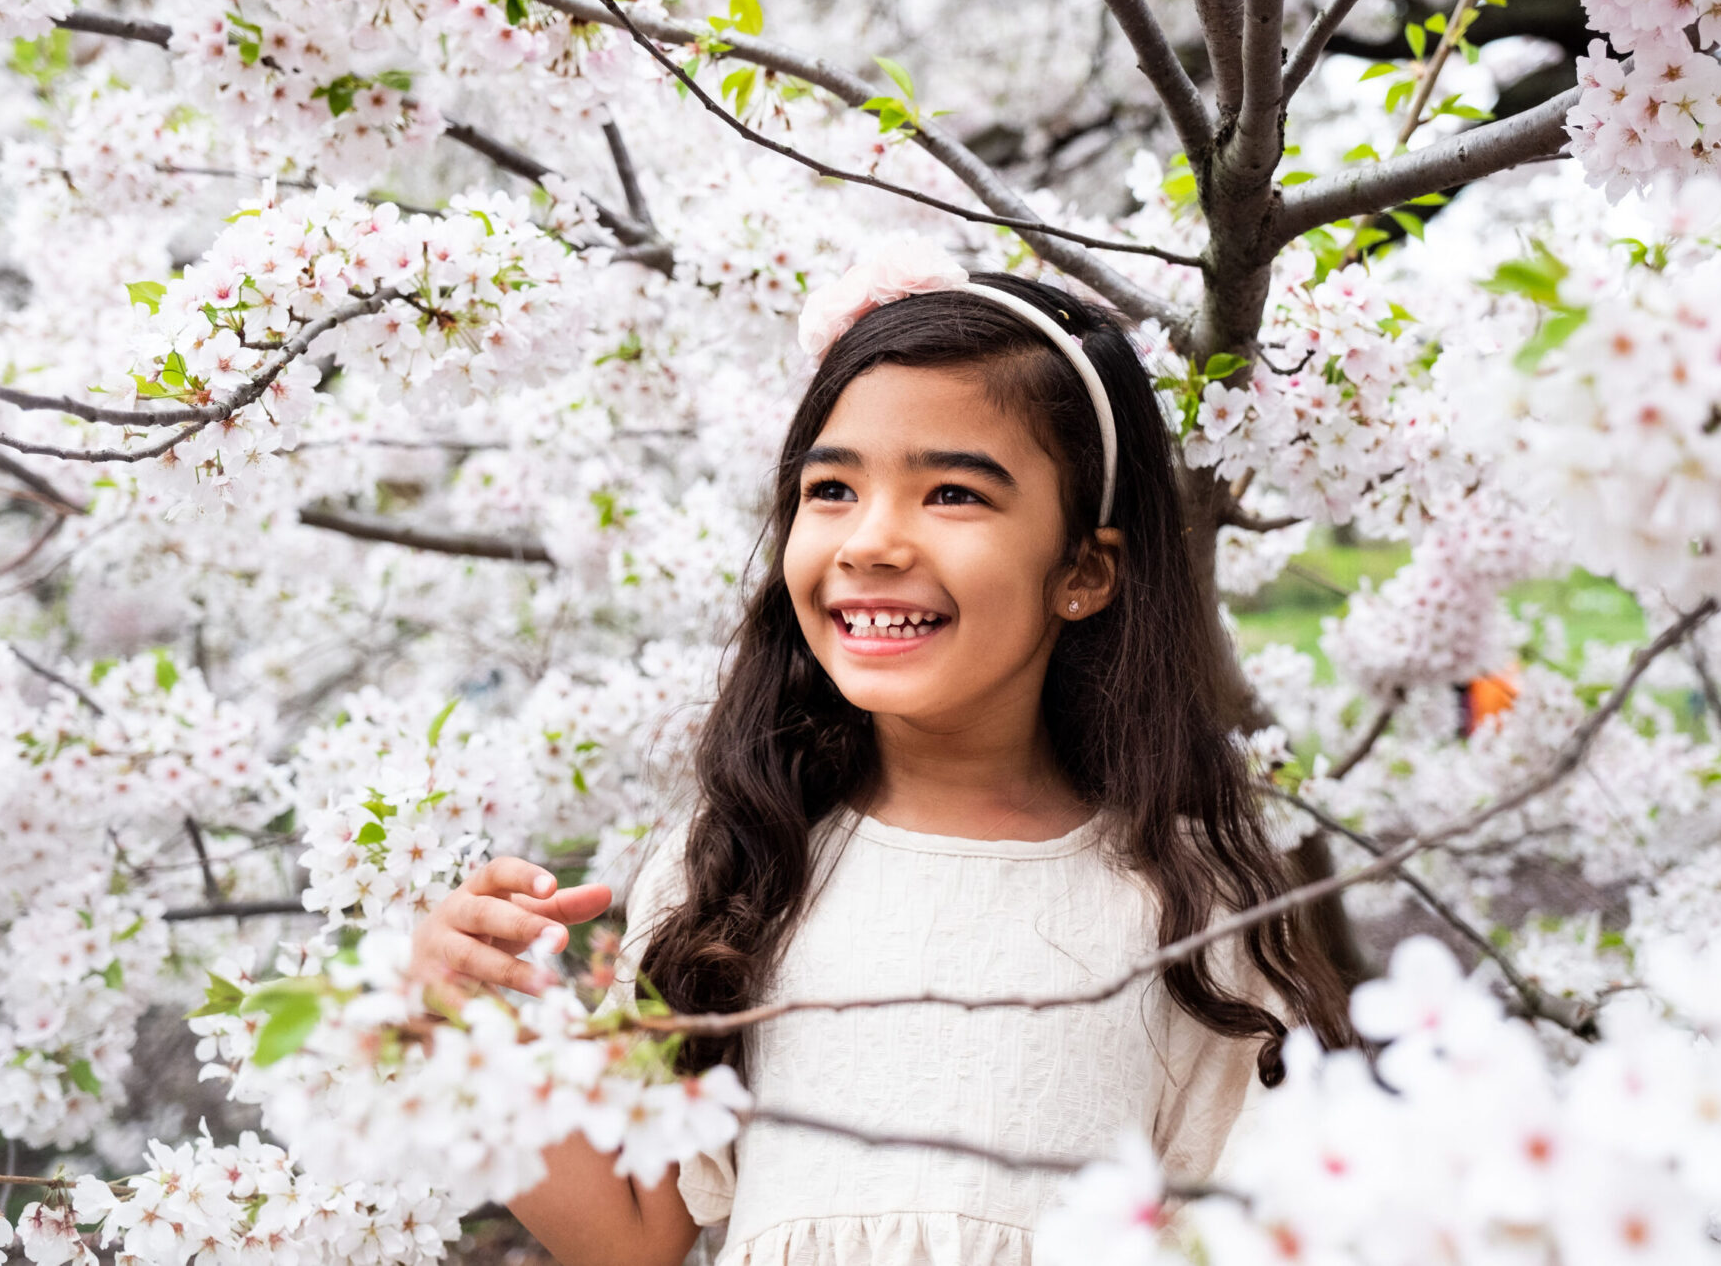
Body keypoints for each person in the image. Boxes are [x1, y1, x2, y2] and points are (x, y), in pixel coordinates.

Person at [407, 247, 1357, 1266]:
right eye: (832, 489)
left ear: (1081, 566)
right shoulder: (740, 862)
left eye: (952, 494)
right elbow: (632, 1230)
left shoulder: (1187, 904)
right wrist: (459, 1025)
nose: (872, 540)